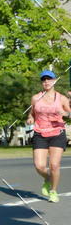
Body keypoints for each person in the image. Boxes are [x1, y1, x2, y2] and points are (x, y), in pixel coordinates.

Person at [26, 69, 71, 203]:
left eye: (49, 79)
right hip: (40, 133)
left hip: (57, 133)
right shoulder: (35, 98)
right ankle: (47, 179)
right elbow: (31, 113)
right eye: (43, 79)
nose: (46, 81)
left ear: (54, 81)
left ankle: (53, 191)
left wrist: (65, 113)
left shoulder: (61, 98)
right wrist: (30, 119)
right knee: (39, 166)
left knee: (54, 165)